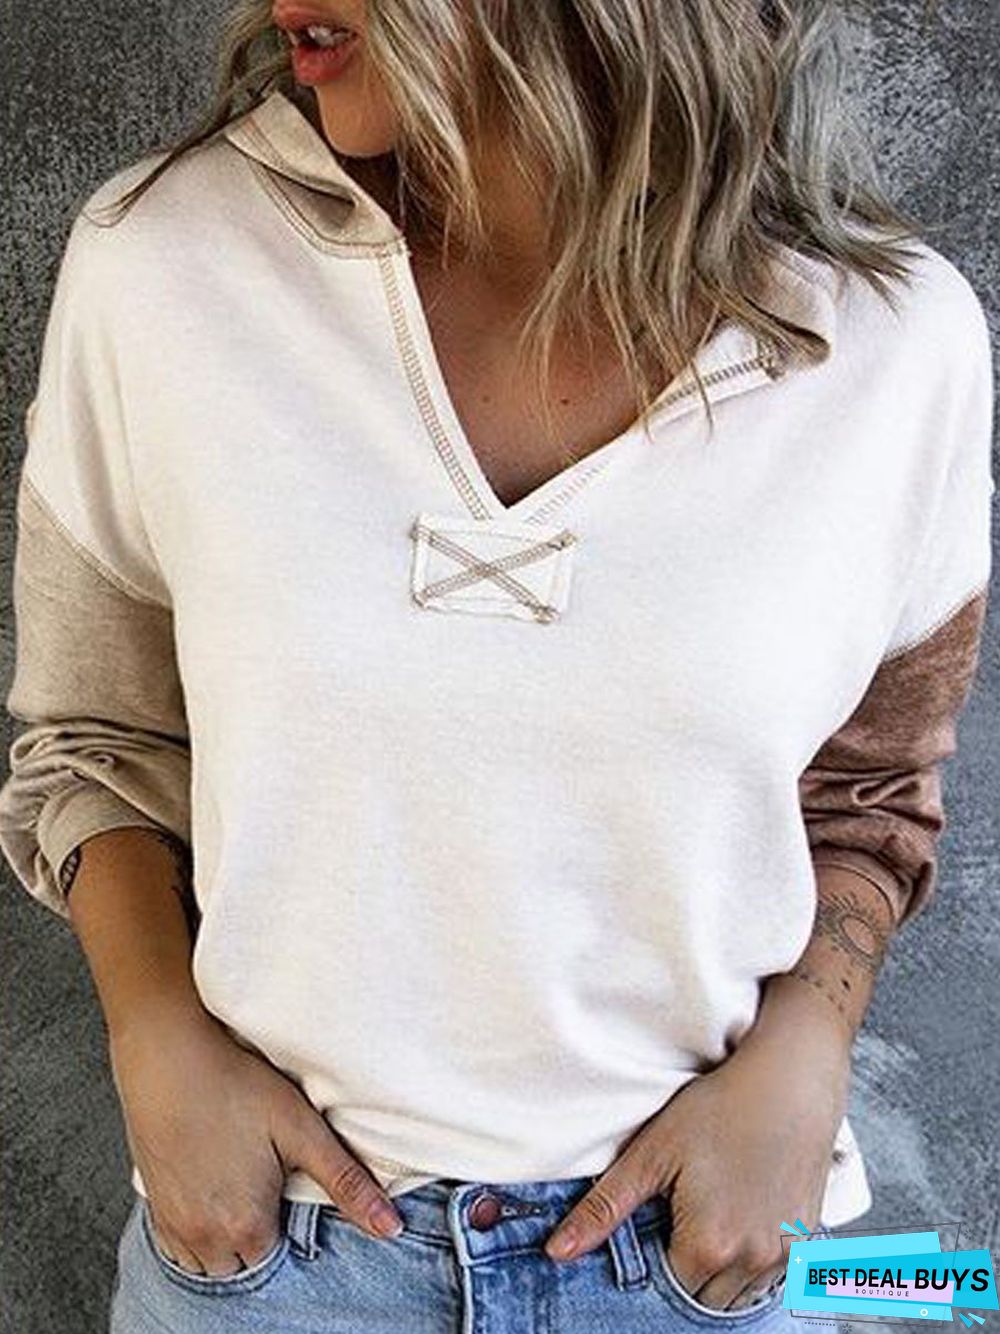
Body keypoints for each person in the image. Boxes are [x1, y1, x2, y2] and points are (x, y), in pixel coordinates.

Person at [0, 1, 993, 1331]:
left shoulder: (896, 344)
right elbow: (91, 738)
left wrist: (809, 1052)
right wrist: (155, 1041)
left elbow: (872, 792)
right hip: (270, 1259)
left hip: (706, 1261)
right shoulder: (165, 262)